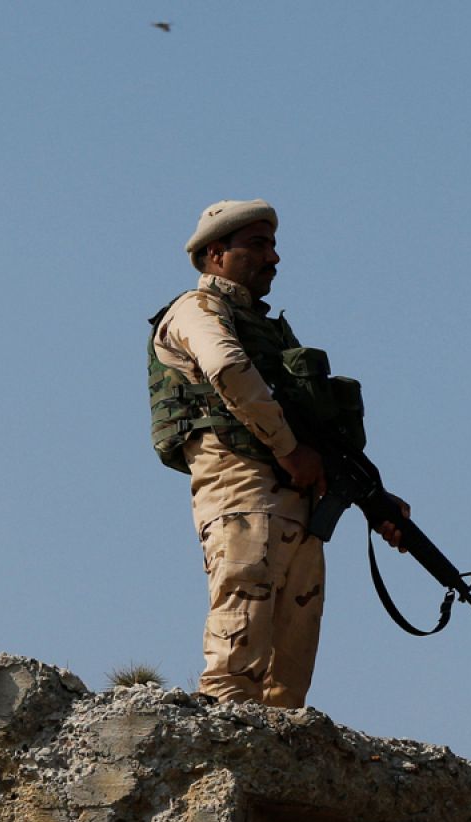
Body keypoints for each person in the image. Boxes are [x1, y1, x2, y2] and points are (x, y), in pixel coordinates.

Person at [147, 199, 404, 708]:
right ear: (216, 254)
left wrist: (376, 501)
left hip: (299, 507)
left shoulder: (270, 331)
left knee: (287, 684)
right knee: (234, 670)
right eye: (258, 245)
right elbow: (226, 368)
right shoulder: (196, 311)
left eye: (274, 245)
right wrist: (288, 451)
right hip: (242, 490)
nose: (274, 258)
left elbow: (318, 430)